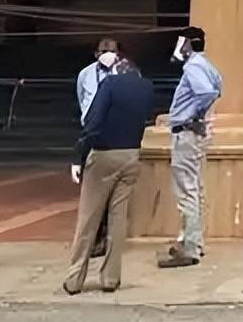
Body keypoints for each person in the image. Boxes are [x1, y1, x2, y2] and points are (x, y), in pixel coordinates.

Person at [63, 57, 155, 295]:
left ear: (117, 71)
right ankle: (110, 278)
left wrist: (79, 155)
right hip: (131, 154)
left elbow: (93, 121)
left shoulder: (110, 84)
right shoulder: (147, 87)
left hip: (104, 154)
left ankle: (75, 278)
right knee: (117, 218)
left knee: (89, 218)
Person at [158, 26, 222, 269]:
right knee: (195, 188)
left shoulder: (193, 66)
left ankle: (191, 247)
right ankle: (192, 240)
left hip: (187, 132)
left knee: (187, 190)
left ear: (188, 44)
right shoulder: (207, 65)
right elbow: (217, 88)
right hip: (196, 134)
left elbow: (207, 92)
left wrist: (195, 115)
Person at [75, 36, 120, 258]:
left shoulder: (123, 74)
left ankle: (107, 237)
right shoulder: (85, 74)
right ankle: (94, 236)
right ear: (96, 54)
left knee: (112, 190)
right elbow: (81, 99)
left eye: (112, 51)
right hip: (92, 134)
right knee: (92, 189)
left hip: (115, 133)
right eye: (104, 51)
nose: (108, 54)